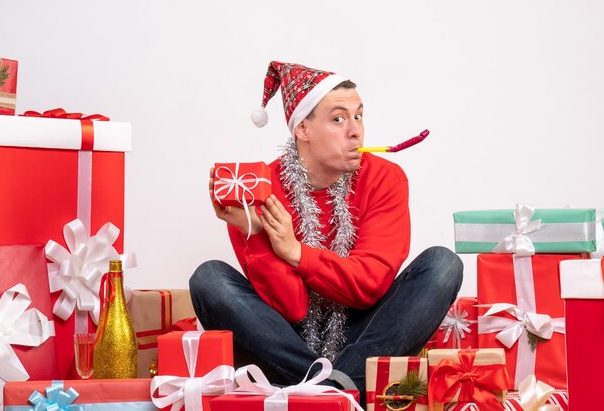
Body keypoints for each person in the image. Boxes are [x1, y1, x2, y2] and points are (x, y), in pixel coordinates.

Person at [190, 61, 463, 402]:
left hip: (368, 334)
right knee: (208, 278)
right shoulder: (260, 187)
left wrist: (295, 252)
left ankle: (322, 394)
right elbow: (292, 311)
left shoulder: (385, 178)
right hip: (287, 342)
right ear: (303, 128)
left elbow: (370, 284)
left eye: (358, 116)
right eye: (338, 119)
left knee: (443, 265)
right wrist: (255, 233)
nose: (355, 131)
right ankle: (335, 394)